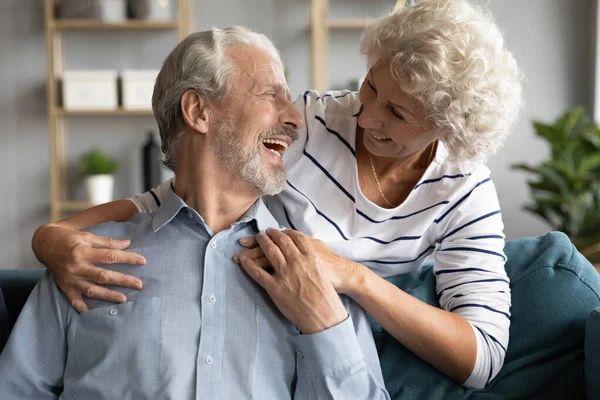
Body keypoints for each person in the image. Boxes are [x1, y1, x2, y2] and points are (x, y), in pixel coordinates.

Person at [32, 0, 523, 390]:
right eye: (369, 87)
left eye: (396, 113)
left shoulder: (466, 192)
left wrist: (352, 279)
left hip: (344, 333)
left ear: (443, 126)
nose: (367, 117)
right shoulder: (310, 125)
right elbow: (179, 196)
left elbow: (481, 358)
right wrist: (52, 237)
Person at [0, 27, 390, 399]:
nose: (295, 118)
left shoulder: (316, 271)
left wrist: (325, 326)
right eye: (272, 95)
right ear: (198, 111)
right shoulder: (83, 259)